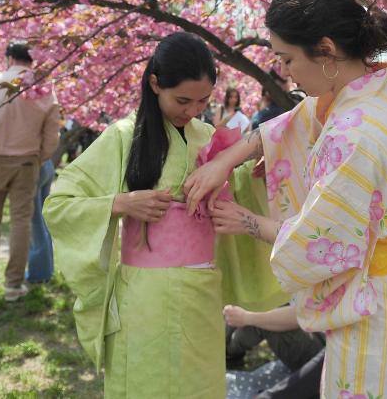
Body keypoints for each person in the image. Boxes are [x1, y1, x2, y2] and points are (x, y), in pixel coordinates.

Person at [185, 0, 387, 398]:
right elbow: (295, 122)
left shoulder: (352, 133)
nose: (284, 72)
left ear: (324, 50)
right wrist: (227, 159)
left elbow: (322, 244)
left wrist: (249, 221)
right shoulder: (376, 93)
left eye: (286, 58)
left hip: (374, 311)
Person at [43, 32, 258, 398]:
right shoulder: (124, 136)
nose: (192, 111)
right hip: (145, 293)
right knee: (147, 382)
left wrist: (254, 176)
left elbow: (239, 192)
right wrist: (121, 203)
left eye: (203, 101)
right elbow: (60, 203)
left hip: (201, 289)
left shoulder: (208, 136)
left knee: (198, 383)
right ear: (155, 84)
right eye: (182, 100)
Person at [224, 258, 387, 399]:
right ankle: (231, 346)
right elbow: (303, 314)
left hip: (384, 378)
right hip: (343, 364)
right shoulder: (354, 268)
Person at [0, 42, 60, 302]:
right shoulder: (43, 87)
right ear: (32, 60)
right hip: (26, 161)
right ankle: (13, 285)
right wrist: (40, 157)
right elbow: (52, 132)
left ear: (9, 58)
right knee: (21, 221)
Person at [25, 158, 55, 284]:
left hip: (33, 167)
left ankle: (39, 273)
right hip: (47, 164)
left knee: (35, 222)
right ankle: (46, 269)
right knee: (42, 221)